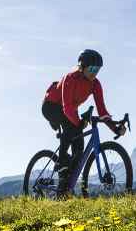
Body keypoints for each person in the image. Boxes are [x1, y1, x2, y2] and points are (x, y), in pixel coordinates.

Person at [41, 49, 124, 193]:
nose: (94, 73)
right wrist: (79, 123)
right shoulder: (70, 78)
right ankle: (62, 165)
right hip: (51, 106)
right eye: (91, 69)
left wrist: (115, 128)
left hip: (69, 110)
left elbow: (102, 111)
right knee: (71, 129)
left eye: (97, 70)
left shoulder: (95, 84)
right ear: (82, 67)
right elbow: (67, 108)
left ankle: (66, 184)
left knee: (79, 146)